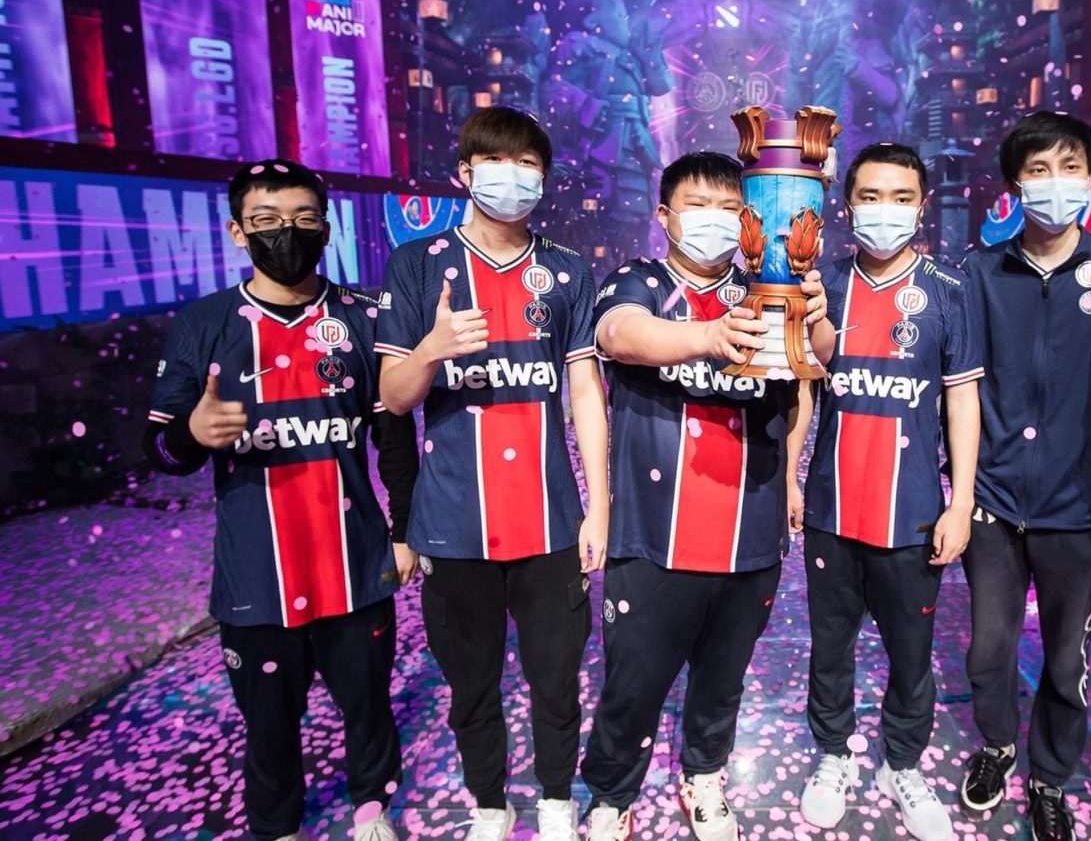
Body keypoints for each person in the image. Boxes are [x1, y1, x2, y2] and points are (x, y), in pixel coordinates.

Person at [143, 158, 418, 841]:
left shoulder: (364, 316)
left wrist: (404, 532)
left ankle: (372, 808)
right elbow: (159, 449)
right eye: (266, 221)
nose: (285, 234)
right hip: (254, 579)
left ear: (327, 228)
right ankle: (276, 825)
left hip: (356, 566)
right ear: (238, 231)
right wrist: (192, 432)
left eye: (302, 219)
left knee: (368, 704)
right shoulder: (205, 323)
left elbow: (395, 439)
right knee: (267, 722)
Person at [374, 107, 610, 841]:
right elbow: (393, 397)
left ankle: (555, 799)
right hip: (452, 524)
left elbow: (584, 392)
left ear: (544, 178)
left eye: (528, 164)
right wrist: (431, 349)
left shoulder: (566, 270)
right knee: (470, 682)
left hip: (549, 523)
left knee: (556, 679)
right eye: (496, 162)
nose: (513, 176)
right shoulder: (417, 264)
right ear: (465, 173)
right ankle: (488, 803)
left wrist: (599, 508)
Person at [580, 151, 825, 841]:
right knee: (633, 683)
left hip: (751, 533)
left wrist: (793, 472)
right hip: (653, 535)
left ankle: (705, 776)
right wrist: (709, 336)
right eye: (698, 206)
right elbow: (619, 334)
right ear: (665, 216)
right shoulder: (638, 281)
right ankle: (612, 795)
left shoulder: (767, 286)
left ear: (750, 220)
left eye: (729, 208)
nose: (714, 220)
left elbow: (805, 379)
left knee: (723, 678)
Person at [957, 112, 1091, 841]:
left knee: (1068, 661)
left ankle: (1049, 778)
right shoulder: (979, 271)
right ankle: (997, 745)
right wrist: (962, 489)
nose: (1056, 183)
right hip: (994, 502)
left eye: (1070, 167)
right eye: (1039, 170)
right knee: (989, 648)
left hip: (1080, 507)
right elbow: (958, 389)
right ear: (1015, 185)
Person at [795, 142, 982, 841]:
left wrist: (960, 501)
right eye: (870, 197)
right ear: (847, 206)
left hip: (913, 515)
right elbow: (807, 384)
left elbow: (962, 400)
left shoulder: (950, 290)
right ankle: (833, 755)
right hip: (832, 509)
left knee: (912, 652)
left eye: (900, 197)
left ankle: (902, 763)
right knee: (830, 646)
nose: (885, 210)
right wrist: (790, 478)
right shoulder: (822, 285)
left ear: (922, 206)